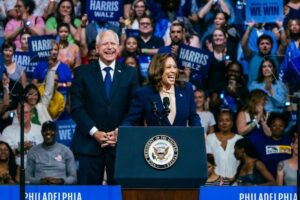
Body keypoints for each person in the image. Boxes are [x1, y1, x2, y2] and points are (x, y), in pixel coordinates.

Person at [70, 30, 139, 185]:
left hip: (120, 145)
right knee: (89, 195)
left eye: (113, 43)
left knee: (121, 194)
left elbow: (135, 108)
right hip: (89, 144)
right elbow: (76, 107)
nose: (109, 47)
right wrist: (95, 133)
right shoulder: (82, 72)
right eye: (105, 43)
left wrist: (120, 131)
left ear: (119, 47)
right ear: (97, 47)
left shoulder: (130, 73)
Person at [122, 53, 201, 126]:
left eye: (175, 67)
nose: (173, 71)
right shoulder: (144, 94)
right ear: (158, 70)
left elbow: (193, 117)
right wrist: (119, 132)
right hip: (156, 140)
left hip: (181, 140)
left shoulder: (186, 89)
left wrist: (199, 133)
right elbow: (130, 121)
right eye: (169, 67)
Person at [206, 110, 242, 178]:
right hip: (215, 184)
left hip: (235, 184)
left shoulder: (239, 139)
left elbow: (244, 163)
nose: (224, 123)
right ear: (217, 123)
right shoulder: (210, 138)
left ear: (232, 123)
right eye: (221, 120)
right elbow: (207, 162)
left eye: (227, 120)